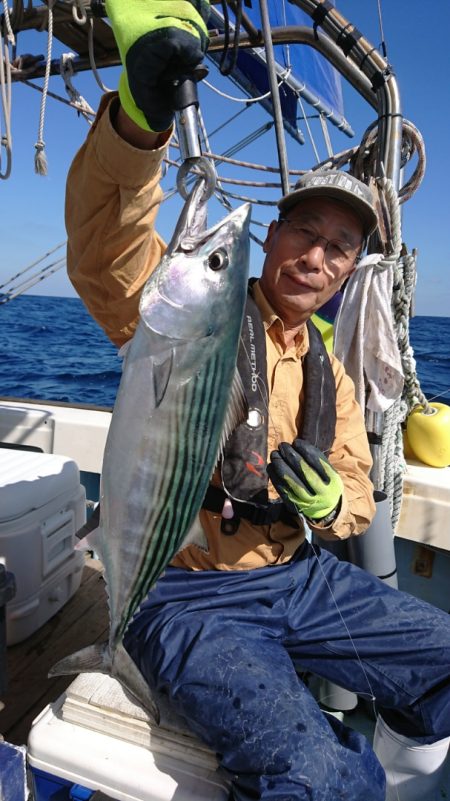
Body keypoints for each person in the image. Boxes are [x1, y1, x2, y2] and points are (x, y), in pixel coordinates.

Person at [65, 2, 450, 799]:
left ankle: (391, 758)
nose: (316, 256)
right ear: (270, 237)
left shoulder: (331, 373)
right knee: (315, 773)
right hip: (184, 592)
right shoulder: (184, 312)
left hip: (298, 578)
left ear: (348, 270)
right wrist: (139, 127)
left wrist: (335, 501)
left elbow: (356, 490)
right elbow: (106, 251)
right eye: (304, 231)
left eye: (338, 247)